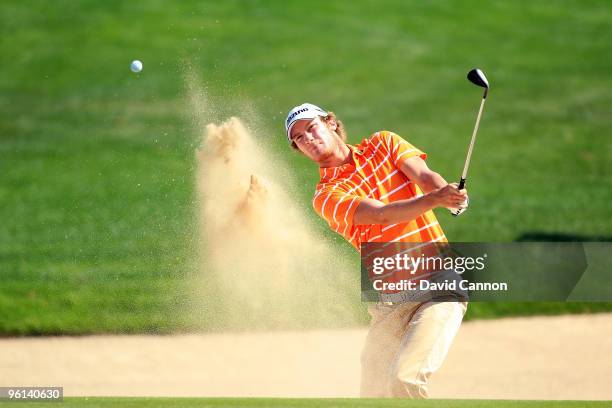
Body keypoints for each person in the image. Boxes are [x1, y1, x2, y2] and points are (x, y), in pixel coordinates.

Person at [285, 103, 469, 398]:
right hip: (390, 303)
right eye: (299, 139)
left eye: (311, 128)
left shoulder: (384, 143)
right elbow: (382, 214)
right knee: (373, 394)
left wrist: (450, 195)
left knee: (404, 378)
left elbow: (424, 176)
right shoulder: (326, 196)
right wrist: (436, 199)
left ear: (331, 122)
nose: (309, 139)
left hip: (439, 283)